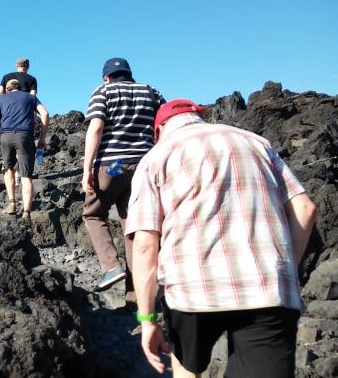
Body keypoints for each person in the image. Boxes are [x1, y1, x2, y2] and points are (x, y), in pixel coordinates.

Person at [126, 98, 317, 377]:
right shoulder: (257, 142)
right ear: (201, 116)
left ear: (159, 130)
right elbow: (305, 209)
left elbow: (144, 245)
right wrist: (284, 268)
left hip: (191, 291)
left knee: (187, 371)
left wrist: (148, 319)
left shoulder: (157, 156)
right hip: (268, 288)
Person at [81, 57, 165, 294]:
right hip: (145, 167)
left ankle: (111, 266)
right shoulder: (150, 91)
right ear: (129, 74)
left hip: (111, 165)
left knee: (93, 214)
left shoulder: (103, 91)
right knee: (133, 227)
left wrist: (87, 169)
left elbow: (96, 127)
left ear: (106, 77)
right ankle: (136, 297)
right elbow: (163, 126)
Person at [0, 79, 49, 219]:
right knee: (26, 176)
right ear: (19, 88)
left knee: (8, 169)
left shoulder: (1, 100)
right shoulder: (30, 97)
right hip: (25, 136)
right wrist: (42, 139)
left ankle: (12, 204)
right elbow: (44, 114)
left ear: (8, 89)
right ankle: (26, 212)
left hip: (6, 136)